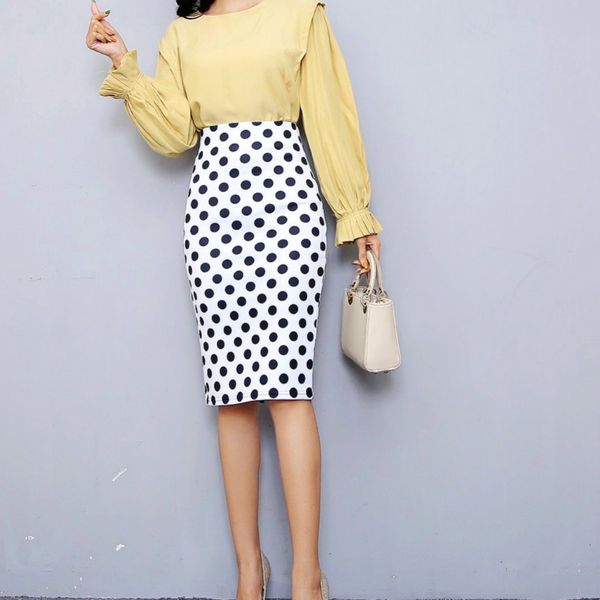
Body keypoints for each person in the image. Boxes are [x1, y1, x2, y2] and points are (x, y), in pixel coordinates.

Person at [86, 1, 383, 598]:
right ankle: (250, 570)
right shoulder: (183, 34)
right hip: (215, 220)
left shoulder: (299, 14)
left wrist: (355, 215)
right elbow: (175, 134)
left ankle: (307, 575)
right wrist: (122, 63)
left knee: (289, 392)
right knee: (232, 397)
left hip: (287, 213)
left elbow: (329, 114)